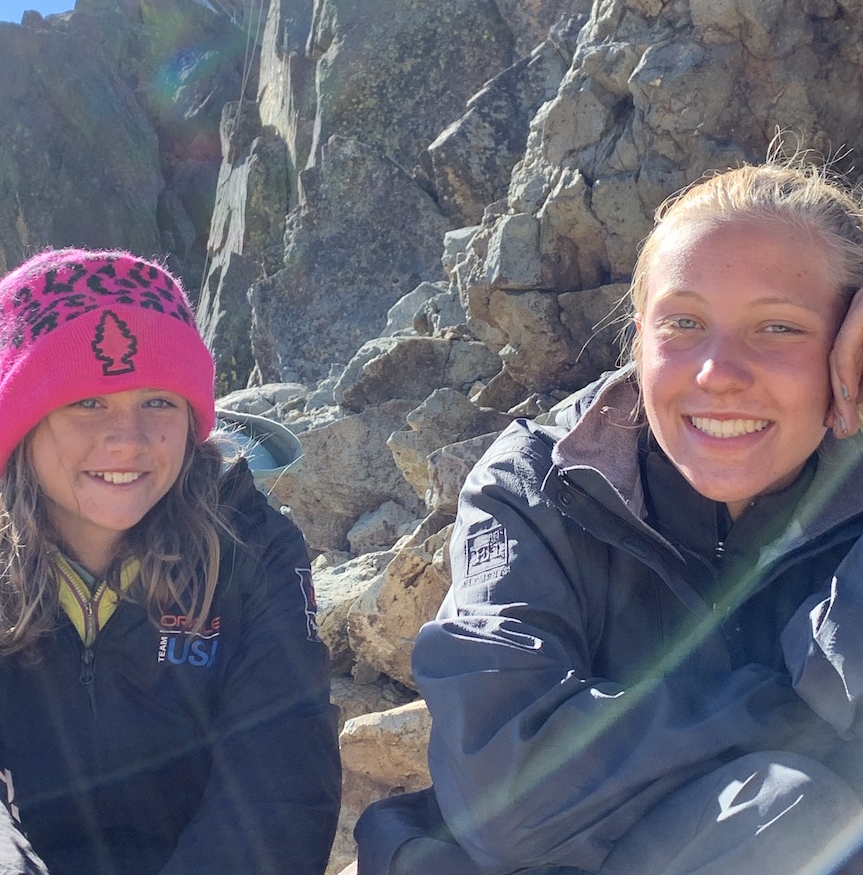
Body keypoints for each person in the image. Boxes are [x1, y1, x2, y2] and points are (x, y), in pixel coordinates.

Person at [357, 157, 863, 875]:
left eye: (778, 328)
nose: (717, 373)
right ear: (639, 340)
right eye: (683, 322)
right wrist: (789, 707)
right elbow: (509, 802)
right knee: (806, 815)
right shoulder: (539, 483)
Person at [0, 248, 340, 875]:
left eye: (158, 401)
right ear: (19, 424)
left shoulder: (249, 547)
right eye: (87, 401)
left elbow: (282, 772)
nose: (128, 440)